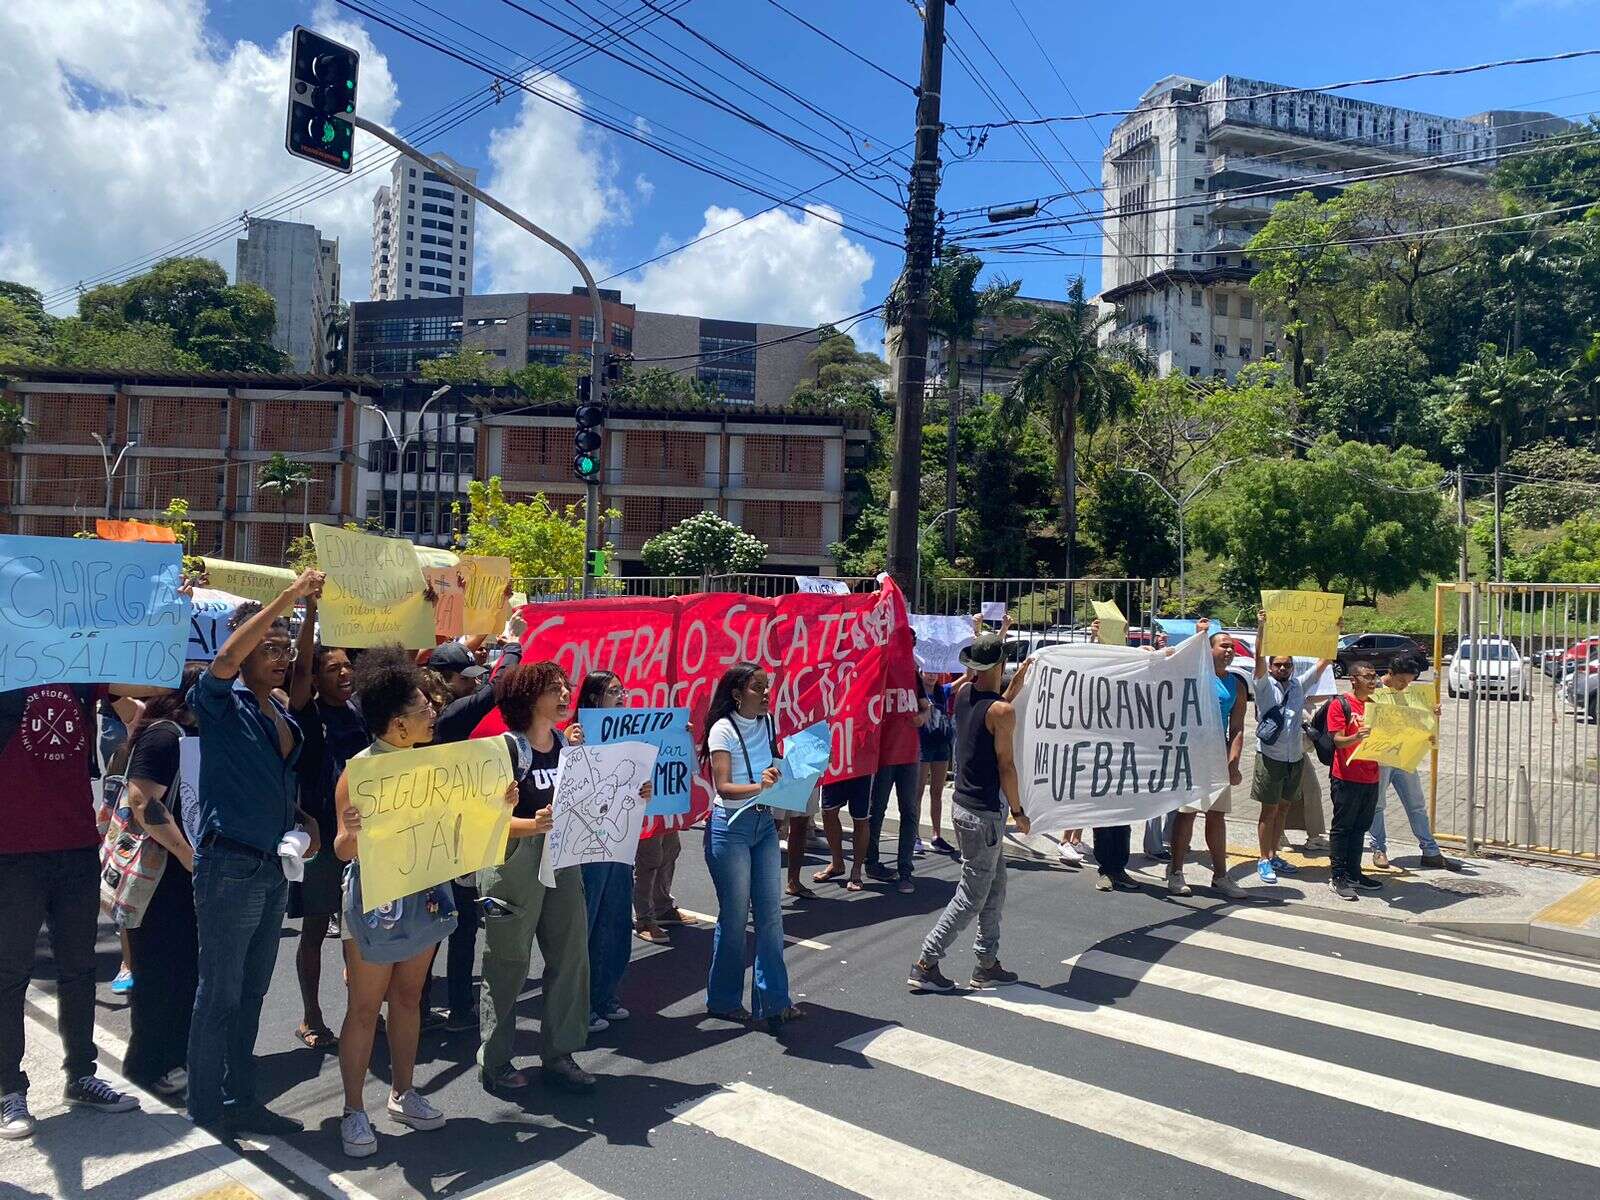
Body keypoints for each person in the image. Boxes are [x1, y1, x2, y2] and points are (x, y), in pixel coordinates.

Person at [333, 648, 505, 1157]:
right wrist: (357, 833)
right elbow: (343, 847)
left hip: (425, 891)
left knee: (410, 998)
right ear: (397, 723)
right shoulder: (359, 773)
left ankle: (403, 1092)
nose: (434, 711)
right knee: (364, 1008)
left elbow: (461, 822)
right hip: (376, 900)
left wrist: (502, 804)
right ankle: (353, 1110)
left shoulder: (437, 764)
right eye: (423, 708)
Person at [188, 569, 325, 1136]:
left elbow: (284, 793)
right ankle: (204, 1109)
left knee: (253, 991)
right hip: (229, 867)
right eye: (268, 647)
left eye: (284, 649)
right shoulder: (220, 702)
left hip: (272, 869)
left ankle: (240, 1098)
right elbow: (223, 660)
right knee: (218, 993)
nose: (280, 657)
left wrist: (307, 827)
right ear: (242, 650)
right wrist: (288, 598)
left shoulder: (282, 712)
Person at [1, 675, 151, 1140]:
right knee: (9, 975)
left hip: (75, 846)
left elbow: (148, 687)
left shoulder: (84, 679)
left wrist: (169, 615)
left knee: (80, 969)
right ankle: (9, 1089)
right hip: (12, 852)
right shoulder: (7, 675)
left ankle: (81, 1075)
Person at [477, 661, 594, 1094]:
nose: (565, 694)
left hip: (563, 857)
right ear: (528, 697)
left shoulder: (567, 746)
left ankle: (560, 1052)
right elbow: (484, 821)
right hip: (515, 862)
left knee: (570, 955)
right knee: (507, 961)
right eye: (554, 688)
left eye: (566, 687)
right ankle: (496, 1060)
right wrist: (531, 824)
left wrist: (629, 794)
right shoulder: (503, 750)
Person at [908, 631, 1031, 992]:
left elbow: (989, 714)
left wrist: (1015, 688)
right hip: (986, 812)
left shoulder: (964, 694)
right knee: (973, 895)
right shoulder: (1002, 711)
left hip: (963, 805)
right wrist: (1019, 811)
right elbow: (1006, 765)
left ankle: (986, 962)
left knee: (994, 888)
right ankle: (926, 962)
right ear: (1000, 665)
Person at [427, 621, 523, 1032]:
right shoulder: (448, 716)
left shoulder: (438, 712)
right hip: (441, 834)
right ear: (442, 680)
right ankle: (431, 1007)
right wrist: (514, 646)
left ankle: (451, 1007)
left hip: (455, 829)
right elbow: (497, 689)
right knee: (447, 922)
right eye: (463, 679)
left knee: (460, 920)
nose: (471, 685)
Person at [120, 665, 207, 1099]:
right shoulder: (165, 736)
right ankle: (147, 1067)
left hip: (184, 874)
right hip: (164, 877)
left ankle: (173, 1057)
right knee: (160, 973)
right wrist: (187, 857)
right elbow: (142, 800)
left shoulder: (189, 736)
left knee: (184, 969)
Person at [702, 663, 802, 1033]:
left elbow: (772, 769)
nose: (765, 693)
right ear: (736, 694)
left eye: (767, 686)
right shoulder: (722, 730)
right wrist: (761, 786)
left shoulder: (769, 722)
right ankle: (724, 1000)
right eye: (757, 687)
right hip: (731, 828)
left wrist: (789, 780)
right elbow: (724, 787)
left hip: (762, 823)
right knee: (734, 917)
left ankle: (775, 1000)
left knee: (771, 916)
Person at [286, 600, 366, 1054]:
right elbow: (298, 671)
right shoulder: (306, 711)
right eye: (332, 668)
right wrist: (312, 613)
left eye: (346, 665)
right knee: (315, 929)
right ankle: (311, 1014)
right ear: (315, 679)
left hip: (359, 837)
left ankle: (362, 1004)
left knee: (361, 929)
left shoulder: (358, 711)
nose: (343, 673)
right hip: (319, 837)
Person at [565, 671, 653, 1034]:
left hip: (619, 841)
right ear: (592, 698)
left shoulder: (630, 733)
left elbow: (637, 782)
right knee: (585, 923)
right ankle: (578, 1005)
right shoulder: (574, 734)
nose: (621, 697)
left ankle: (606, 995)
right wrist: (569, 747)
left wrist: (644, 789)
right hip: (585, 844)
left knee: (616, 920)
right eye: (613, 691)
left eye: (622, 691)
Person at [1250, 610, 1334, 885]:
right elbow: (1258, 658)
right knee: (1269, 810)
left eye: (1287, 665)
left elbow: (1323, 663)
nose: (1283, 669)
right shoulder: (1264, 687)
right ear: (1271, 667)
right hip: (1271, 756)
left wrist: (1333, 630)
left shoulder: (1299, 685)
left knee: (1283, 809)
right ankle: (1263, 859)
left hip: (1294, 757)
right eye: (1279, 665)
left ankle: (1274, 855)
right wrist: (1261, 628)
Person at [1166, 625, 1249, 900]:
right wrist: (1197, 635)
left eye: (1232, 647)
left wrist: (1233, 762)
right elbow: (1170, 662)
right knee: (1187, 813)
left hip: (1217, 756)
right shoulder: (1193, 676)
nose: (1229, 651)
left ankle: (1220, 876)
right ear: (1209, 649)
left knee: (1216, 816)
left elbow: (1237, 727)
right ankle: (1176, 872)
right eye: (1223, 645)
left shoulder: (1236, 684)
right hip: (1191, 754)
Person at [1368, 653, 1460, 871]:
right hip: (1381, 757)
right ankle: (1378, 849)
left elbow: (1417, 722)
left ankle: (1430, 851)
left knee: (1416, 803)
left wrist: (1431, 713)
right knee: (1378, 805)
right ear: (1390, 673)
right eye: (1402, 681)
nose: (1404, 686)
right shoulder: (1374, 691)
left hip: (1404, 755)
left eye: (1409, 682)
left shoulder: (1411, 693)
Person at [863, 665, 930, 893]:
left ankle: (905, 870)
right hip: (883, 755)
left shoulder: (912, 675)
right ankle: (871, 862)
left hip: (909, 754)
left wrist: (922, 717)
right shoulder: (877, 670)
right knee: (876, 810)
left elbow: (925, 707)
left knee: (909, 811)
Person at [1327, 662, 1385, 901]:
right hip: (1346, 777)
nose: (1373, 681)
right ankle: (1337, 875)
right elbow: (1338, 740)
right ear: (1353, 679)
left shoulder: (1375, 705)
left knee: (1360, 827)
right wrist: (1355, 736)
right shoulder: (1340, 704)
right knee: (1343, 827)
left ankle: (1354, 872)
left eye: (1374, 676)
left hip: (1371, 776)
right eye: (1368, 677)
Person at [919, 670, 958, 857]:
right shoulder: (916, 691)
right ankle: (913, 835)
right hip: (923, 746)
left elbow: (966, 677)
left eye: (935, 672)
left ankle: (937, 835)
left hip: (941, 745)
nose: (932, 676)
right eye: (928, 672)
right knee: (917, 792)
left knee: (937, 791)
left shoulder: (942, 691)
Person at [814, 774, 873, 892]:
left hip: (862, 767)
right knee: (828, 811)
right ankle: (837, 864)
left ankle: (856, 870)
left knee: (860, 818)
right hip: (836, 765)